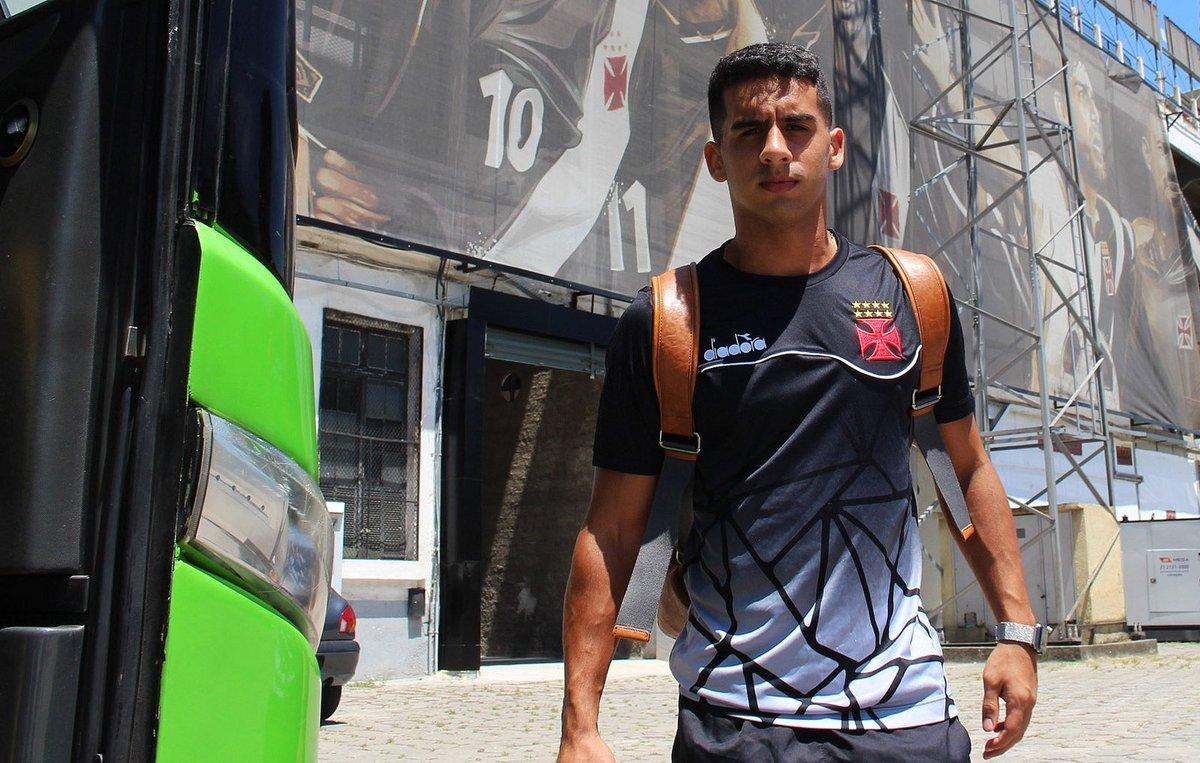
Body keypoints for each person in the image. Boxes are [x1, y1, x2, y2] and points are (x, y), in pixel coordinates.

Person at [559, 43, 1039, 761]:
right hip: (734, 721)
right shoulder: (666, 321)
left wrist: (1017, 632)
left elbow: (963, 469)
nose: (775, 149)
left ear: (834, 146)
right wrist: (580, 725)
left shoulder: (914, 295)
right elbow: (614, 529)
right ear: (716, 158)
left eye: (797, 127)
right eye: (749, 131)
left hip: (905, 717)